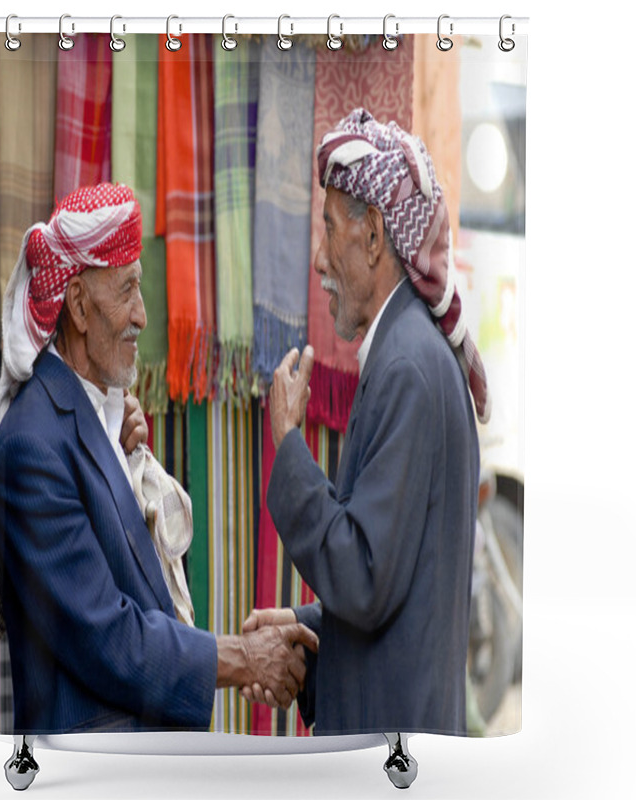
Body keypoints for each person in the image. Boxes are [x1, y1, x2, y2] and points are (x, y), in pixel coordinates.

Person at [0, 183, 317, 734]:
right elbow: (107, 637)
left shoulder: (93, 419)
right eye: (128, 290)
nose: (142, 315)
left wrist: (118, 452)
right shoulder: (33, 446)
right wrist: (243, 658)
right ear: (78, 307)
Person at [243, 109, 488, 736]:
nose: (319, 259)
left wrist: (290, 444)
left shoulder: (406, 364)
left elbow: (365, 579)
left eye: (328, 229)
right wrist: (307, 632)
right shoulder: (411, 353)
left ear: (374, 235)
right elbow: (403, 594)